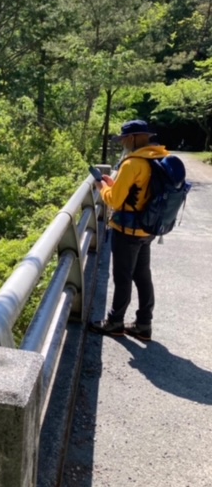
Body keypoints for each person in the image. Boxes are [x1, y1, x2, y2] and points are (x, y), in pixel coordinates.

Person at [89, 119, 170, 342]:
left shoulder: (132, 163)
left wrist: (101, 186)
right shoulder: (158, 157)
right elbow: (138, 192)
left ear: (132, 138)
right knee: (142, 275)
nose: (123, 142)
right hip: (147, 229)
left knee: (122, 277)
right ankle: (144, 324)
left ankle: (115, 322)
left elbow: (114, 201)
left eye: (124, 138)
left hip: (127, 230)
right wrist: (112, 184)